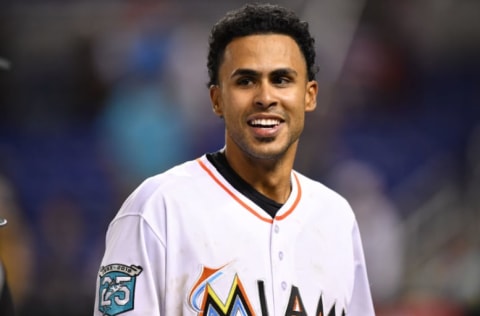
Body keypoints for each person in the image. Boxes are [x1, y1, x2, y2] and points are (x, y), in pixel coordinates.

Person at [94, 3, 375, 315]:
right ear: (217, 99)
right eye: (245, 81)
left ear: (309, 95)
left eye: (282, 79)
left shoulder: (336, 218)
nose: (265, 97)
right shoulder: (158, 210)